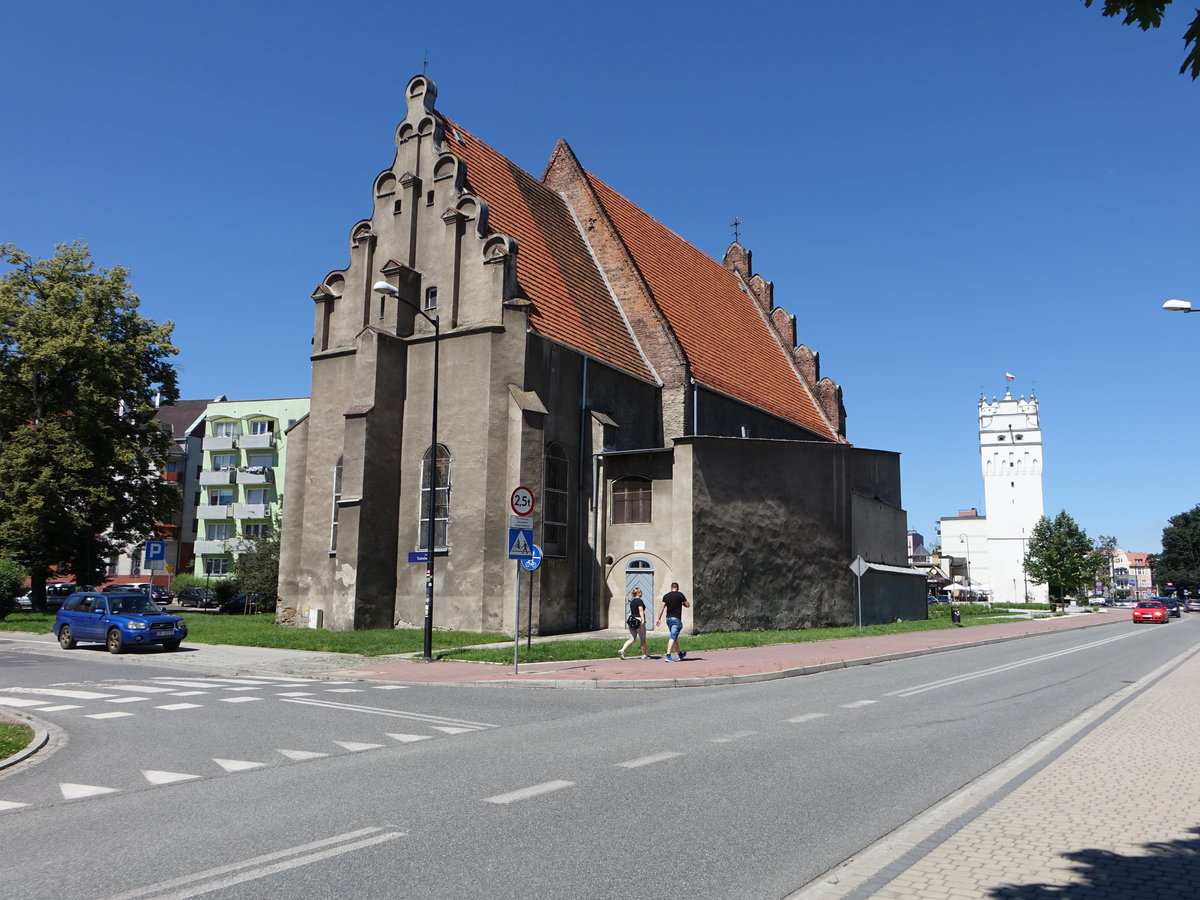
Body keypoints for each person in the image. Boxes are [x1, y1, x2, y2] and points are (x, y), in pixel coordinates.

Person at [656, 582, 690, 662]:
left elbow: (662, 607)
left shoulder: (666, 596)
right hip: (676, 620)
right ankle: (668, 656)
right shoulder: (680, 595)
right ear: (678, 588)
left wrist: (658, 618)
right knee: (672, 638)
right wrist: (682, 603)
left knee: (674, 637)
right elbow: (688, 604)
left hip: (668, 619)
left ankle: (680, 654)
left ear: (671, 588)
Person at [618, 588, 649, 660]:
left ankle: (622, 650)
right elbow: (640, 611)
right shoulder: (640, 601)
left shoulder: (632, 602)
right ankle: (644, 654)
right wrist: (643, 620)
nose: (641, 593)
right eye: (640, 592)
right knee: (643, 639)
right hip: (638, 621)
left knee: (632, 638)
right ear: (638, 593)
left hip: (632, 621)